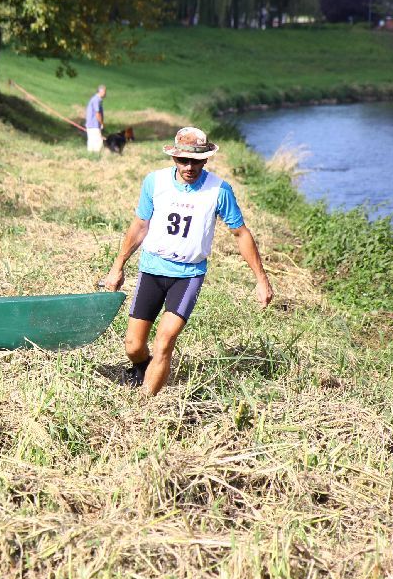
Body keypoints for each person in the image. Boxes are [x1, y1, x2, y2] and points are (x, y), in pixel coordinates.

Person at [102, 127, 274, 395]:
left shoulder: (219, 190)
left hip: (188, 275)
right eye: (183, 160)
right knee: (133, 346)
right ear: (173, 158)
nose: (189, 167)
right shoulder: (154, 183)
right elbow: (139, 226)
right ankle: (142, 368)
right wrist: (117, 266)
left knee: (163, 342)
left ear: (206, 159)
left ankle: (145, 408)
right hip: (152, 270)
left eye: (196, 160)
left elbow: (241, 233)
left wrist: (261, 280)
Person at [84, 85, 106, 153]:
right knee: (98, 144)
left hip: (91, 125)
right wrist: (101, 123)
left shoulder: (95, 99)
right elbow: (97, 114)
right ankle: (97, 159)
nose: (106, 93)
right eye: (105, 91)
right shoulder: (96, 100)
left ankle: (90, 158)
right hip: (94, 125)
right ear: (101, 91)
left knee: (91, 144)